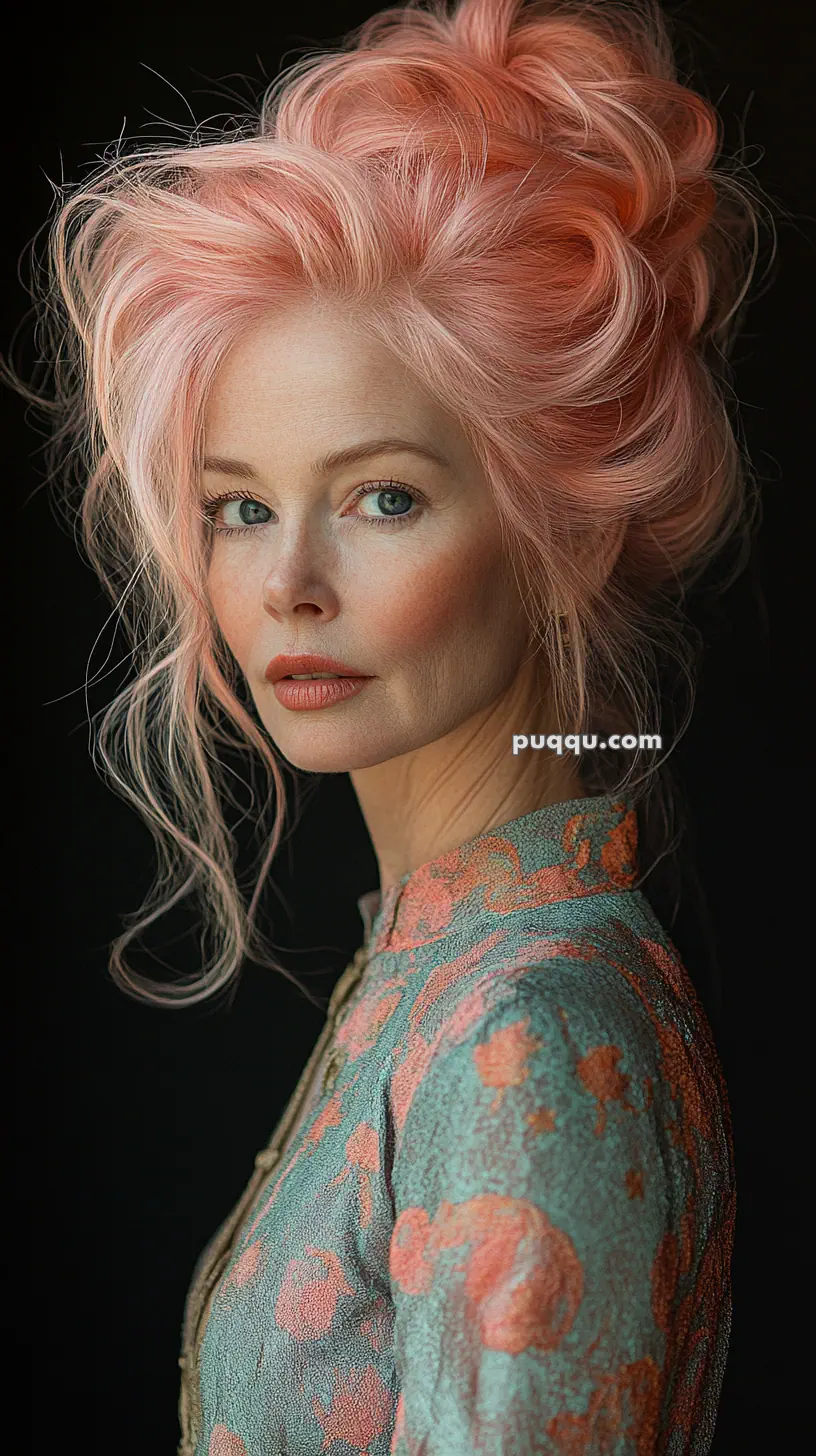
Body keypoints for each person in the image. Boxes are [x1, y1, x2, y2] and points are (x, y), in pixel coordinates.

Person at [12, 0, 768, 1450]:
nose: (286, 583)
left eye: (382, 497)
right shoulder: (446, 963)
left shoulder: (527, 1030)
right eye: (241, 507)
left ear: (571, 530)